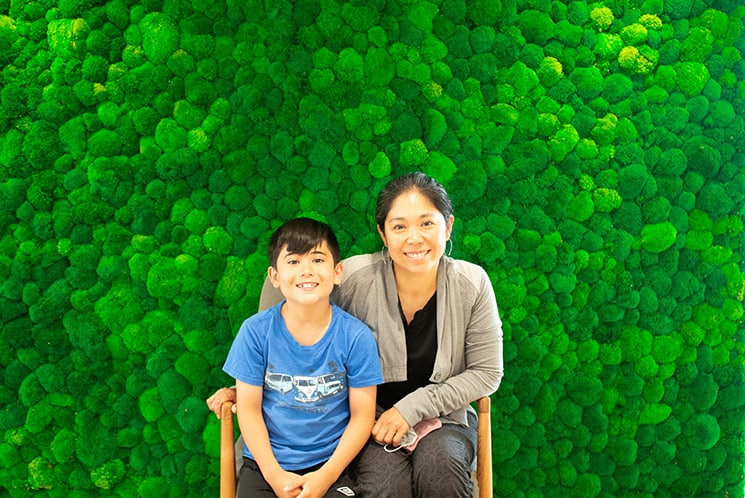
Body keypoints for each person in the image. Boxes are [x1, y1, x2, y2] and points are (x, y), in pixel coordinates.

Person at [208, 172, 504, 497]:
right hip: (369, 421)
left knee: (441, 468)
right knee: (386, 486)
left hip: (443, 417)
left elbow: (487, 373)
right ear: (383, 233)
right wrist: (254, 382)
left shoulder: (472, 283)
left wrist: (411, 409)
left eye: (426, 223)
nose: (414, 238)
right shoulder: (354, 277)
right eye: (399, 226)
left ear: (447, 226)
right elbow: (293, 308)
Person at [222, 217, 383, 498]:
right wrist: (275, 476)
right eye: (294, 261)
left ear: (337, 271)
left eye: (318, 260)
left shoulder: (356, 337)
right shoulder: (255, 333)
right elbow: (248, 410)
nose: (306, 270)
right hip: (265, 465)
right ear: (275, 276)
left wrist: (325, 477)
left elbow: (362, 416)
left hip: (333, 465)